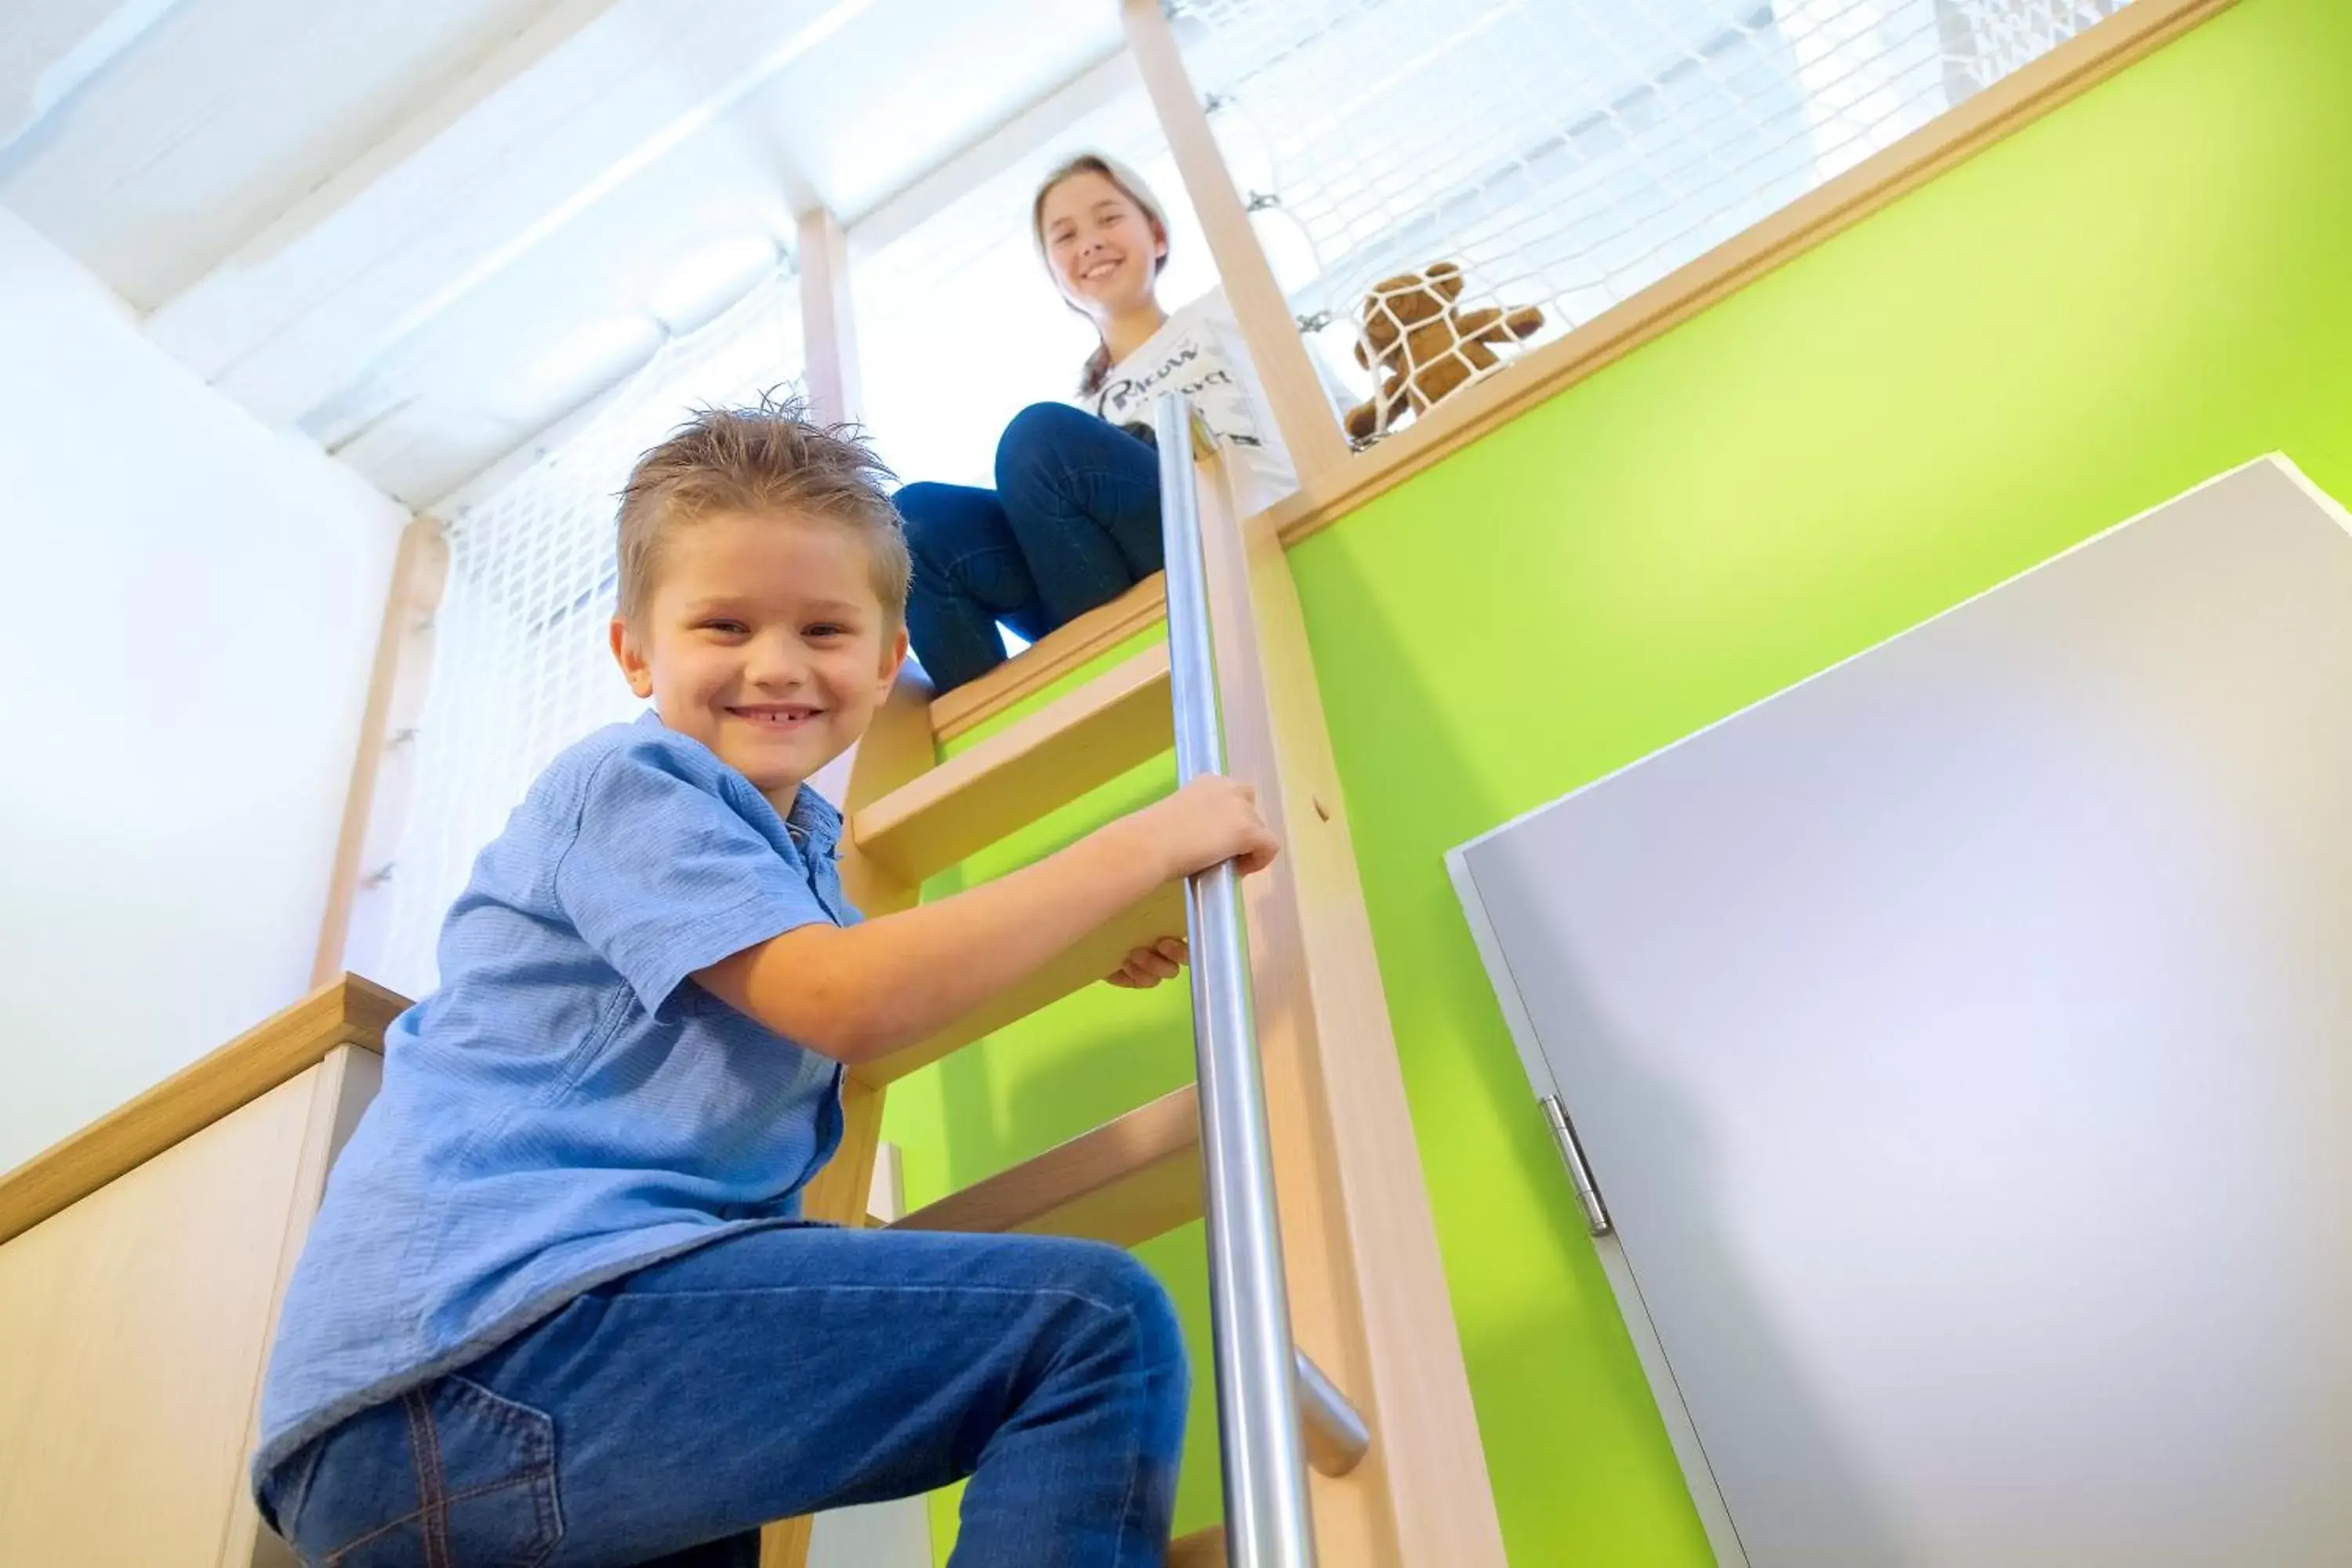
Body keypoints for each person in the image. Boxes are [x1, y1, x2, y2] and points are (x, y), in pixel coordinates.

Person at [249, 396, 1279, 1566]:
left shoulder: (800, 864)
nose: (775, 666)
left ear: (891, 656)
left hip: (482, 1404)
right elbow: (844, 999)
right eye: (724, 626)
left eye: (825, 632)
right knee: (1091, 1330)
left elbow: (854, 1011)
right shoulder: (633, 780)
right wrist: (1139, 847)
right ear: (635, 651)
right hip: (484, 1356)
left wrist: (1083, 943)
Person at [898, 152, 1305, 694]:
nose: (1089, 242)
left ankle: (1108, 670)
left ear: (1157, 235)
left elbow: (1323, 404)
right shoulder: (1083, 419)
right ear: (1055, 275)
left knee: (1037, 441)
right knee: (914, 521)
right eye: (1064, 236)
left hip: (1234, 531)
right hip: (1108, 582)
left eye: (1109, 218)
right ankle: (1012, 728)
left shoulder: (1222, 314)